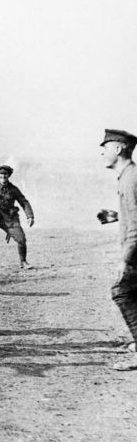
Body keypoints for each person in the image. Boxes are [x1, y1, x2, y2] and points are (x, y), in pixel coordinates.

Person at [98, 128, 137, 371]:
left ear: (118, 149)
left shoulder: (131, 178)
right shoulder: (129, 175)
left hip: (136, 251)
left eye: (105, 147)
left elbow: (136, 225)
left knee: (121, 291)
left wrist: (126, 259)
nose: (102, 152)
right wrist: (117, 216)